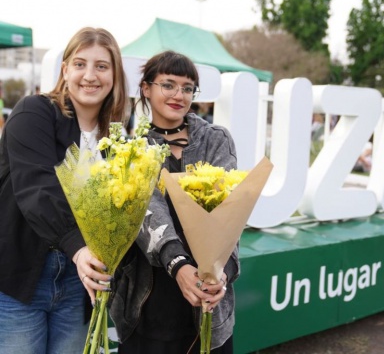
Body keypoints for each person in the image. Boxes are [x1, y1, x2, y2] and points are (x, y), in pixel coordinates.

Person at [0, 27, 130, 353]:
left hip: (78, 283)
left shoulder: (115, 137)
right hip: (20, 279)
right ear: (65, 70)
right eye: (80, 64)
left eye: (102, 66)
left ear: (115, 75)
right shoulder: (35, 113)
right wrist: (78, 247)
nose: (90, 75)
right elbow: (38, 189)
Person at [110, 51, 239, 353]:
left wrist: (223, 272)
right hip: (149, 301)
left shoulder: (216, 139)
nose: (178, 95)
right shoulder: (131, 148)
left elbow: (231, 212)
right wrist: (178, 264)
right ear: (146, 88)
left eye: (187, 87)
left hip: (209, 300)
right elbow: (147, 209)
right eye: (168, 85)